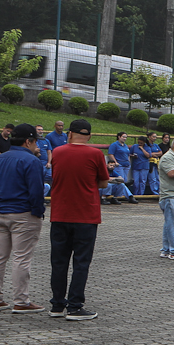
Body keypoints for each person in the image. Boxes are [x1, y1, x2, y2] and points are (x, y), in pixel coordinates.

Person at [0, 124, 47, 313]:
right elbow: (36, 191)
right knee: (21, 258)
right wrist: (38, 211)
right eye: (35, 141)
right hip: (23, 213)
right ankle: (21, 300)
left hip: (0, 212)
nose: (37, 146)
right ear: (28, 141)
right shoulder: (32, 161)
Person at [47, 118, 105, 321]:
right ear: (89, 136)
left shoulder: (58, 152)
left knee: (58, 262)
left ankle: (56, 304)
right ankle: (75, 305)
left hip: (60, 214)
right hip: (85, 216)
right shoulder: (96, 153)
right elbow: (104, 182)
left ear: (69, 134)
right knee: (81, 262)